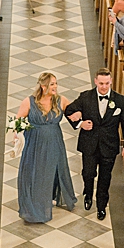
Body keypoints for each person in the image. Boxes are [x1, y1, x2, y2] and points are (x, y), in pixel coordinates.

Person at [65, 69, 124, 220]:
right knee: (88, 173)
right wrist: (80, 123)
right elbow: (69, 111)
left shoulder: (120, 100)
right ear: (95, 81)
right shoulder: (86, 97)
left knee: (105, 177)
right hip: (89, 143)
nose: (104, 87)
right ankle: (88, 193)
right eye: (101, 83)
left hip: (109, 146)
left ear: (111, 82)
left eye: (107, 83)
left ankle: (101, 206)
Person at [15, 72, 75, 221]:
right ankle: (33, 205)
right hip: (34, 143)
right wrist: (17, 136)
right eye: (52, 84)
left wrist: (81, 121)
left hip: (55, 141)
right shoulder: (29, 102)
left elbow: (74, 115)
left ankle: (52, 196)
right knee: (35, 171)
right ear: (43, 86)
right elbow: (18, 122)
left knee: (51, 171)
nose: (55, 87)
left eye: (56, 83)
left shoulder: (61, 100)